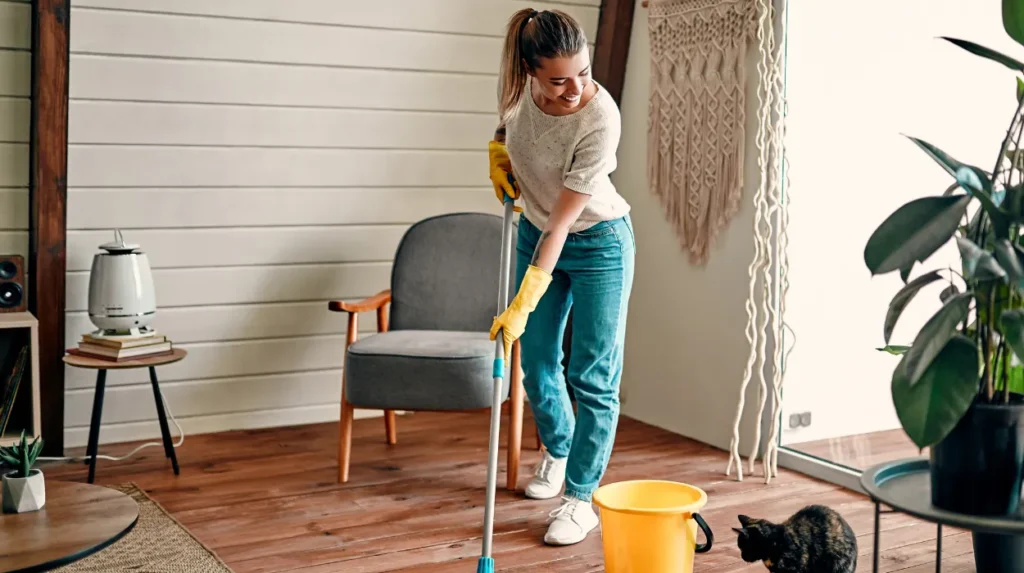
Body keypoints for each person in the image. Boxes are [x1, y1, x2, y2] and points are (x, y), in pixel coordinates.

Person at [487, 7, 635, 547]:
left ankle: (580, 497)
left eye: (584, 73)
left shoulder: (600, 119)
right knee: (539, 364)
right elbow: (507, 129)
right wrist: (497, 154)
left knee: (592, 376)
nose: (575, 89)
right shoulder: (515, 91)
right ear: (530, 72)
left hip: (597, 243)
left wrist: (523, 300)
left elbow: (562, 225)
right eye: (559, 79)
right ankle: (559, 447)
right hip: (533, 231)